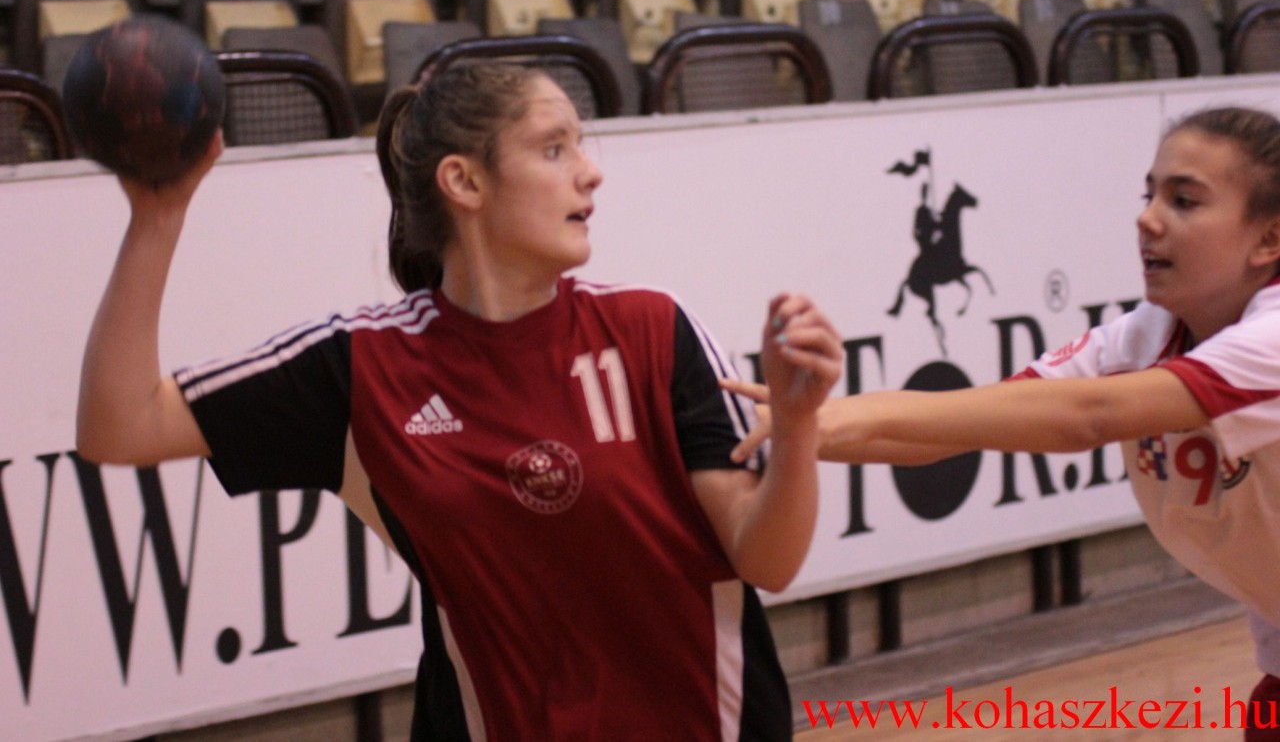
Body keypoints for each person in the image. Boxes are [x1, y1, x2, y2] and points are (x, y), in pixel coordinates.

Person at [76, 60, 843, 740]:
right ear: (465, 182)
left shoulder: (653, 328)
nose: (590, 172)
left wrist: (798, 423)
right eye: (554, 148)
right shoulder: (362, 366)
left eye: (581, 145)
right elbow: (120, 426)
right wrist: (157, 216)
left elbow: (766, 559)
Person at [725, 106, 1280, 739]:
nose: (1147, 218)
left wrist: (814, 419)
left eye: (1183, 200)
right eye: (1148, 194)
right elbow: (953, 428)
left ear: (1269, 240)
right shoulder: (1143, 336)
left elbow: (1089, 417)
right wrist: (797, 426)